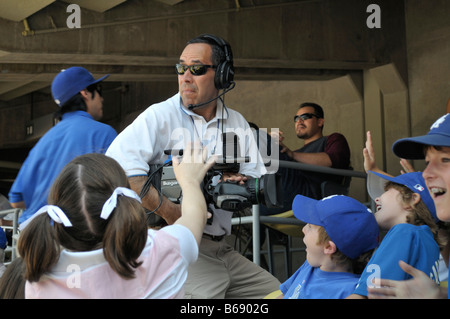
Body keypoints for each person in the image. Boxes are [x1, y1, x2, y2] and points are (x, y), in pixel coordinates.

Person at [105, 34, 280, 298]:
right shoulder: (159, 116)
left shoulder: (236, 122)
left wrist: (230, 180)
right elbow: (118, 170)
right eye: (180, 68)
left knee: (280, 295)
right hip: (176, 246)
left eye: (196, 69)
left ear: (222, 75)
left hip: (222, 248)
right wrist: (171, 212)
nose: (185, 76)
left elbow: (255, 176)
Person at [17, 143, 215, 299]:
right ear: (123, 200)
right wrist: (189, 181)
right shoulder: (161, 250)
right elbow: (193, 216)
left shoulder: (39, 279)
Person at [8, 67, 117, 226]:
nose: (102, 98)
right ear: (85, 93)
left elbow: (17, 201)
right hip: (76, 240)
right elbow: (120, 187)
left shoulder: (43, 142)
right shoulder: (104, 133)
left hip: (34, 238)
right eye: (99, 90)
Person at [367, 113, 450, 299]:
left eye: (445, 159)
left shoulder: (406, 233)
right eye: (427, 162)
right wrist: (440, 294)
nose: (427, 172)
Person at [348, 171, 443, 298]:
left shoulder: (404, 232)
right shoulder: (427, 240)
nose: (376, 199)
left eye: (386, 191)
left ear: (412, 200)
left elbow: (369, 295)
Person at [276, 194, 379, 299]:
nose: (303, 229)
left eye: (310, 226)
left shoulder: (349, 292)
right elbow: (284, 295)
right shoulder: (311, 264)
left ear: (329, 247)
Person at [262, 102, 351, 215]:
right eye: (296, 118)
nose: (299, 121)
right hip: (279, 196)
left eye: (305, 117)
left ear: (320, 121)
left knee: (262, 137)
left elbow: (333, 160)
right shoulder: (293, 153)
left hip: (309, 195)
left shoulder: (333, 139)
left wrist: (288, 153)